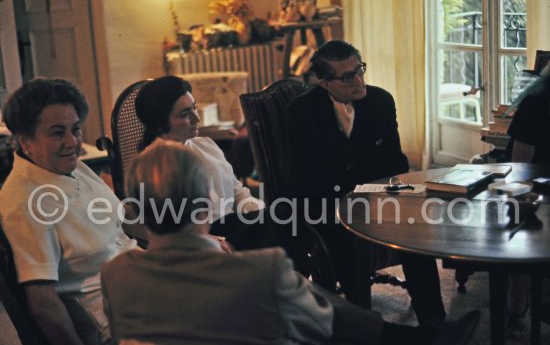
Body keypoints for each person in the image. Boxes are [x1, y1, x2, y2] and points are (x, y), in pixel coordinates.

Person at [101, 139, 481, 345]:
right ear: (204, 204)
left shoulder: (116, 274)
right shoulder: (259, 271)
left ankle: (417, 339)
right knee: (315, 307)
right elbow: (322, 328)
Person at [285, 40, 445, 324]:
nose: (358, 81)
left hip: (376, 198)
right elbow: (305, 176)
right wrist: (349, 204)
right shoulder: (301, 112)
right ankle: (363, 325)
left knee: (413, 232)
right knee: (349, 242)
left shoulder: (381, 101)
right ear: (324, 82)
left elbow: (396, 162)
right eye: (347, 77)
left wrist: (386, 197)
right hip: (324, 206)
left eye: (360, 70)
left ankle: (435, 325)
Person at [0, 78, 137, 344]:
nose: (72, 142)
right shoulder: (24, 202)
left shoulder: (71, 166)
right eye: (57, 132)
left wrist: (183, 243)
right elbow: (43, 303)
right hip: (116, 318)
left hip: (140, 284)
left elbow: (124, 220)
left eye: (76, 129)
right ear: (25, 140)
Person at [134, 75, 264, 224]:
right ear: (160, 124)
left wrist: (256, 211)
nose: (196, 119)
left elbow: (237, 192)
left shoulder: (206, 145)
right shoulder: (154, 167)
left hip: (235, 225)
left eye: (194, 108)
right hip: (206, 240)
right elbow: (170, 228)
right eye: (185, 114)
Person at [505, 61, 550, 338]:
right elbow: (520, 168)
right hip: (531, 187)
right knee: (523, 230)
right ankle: (517, 305)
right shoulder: (536, 103)